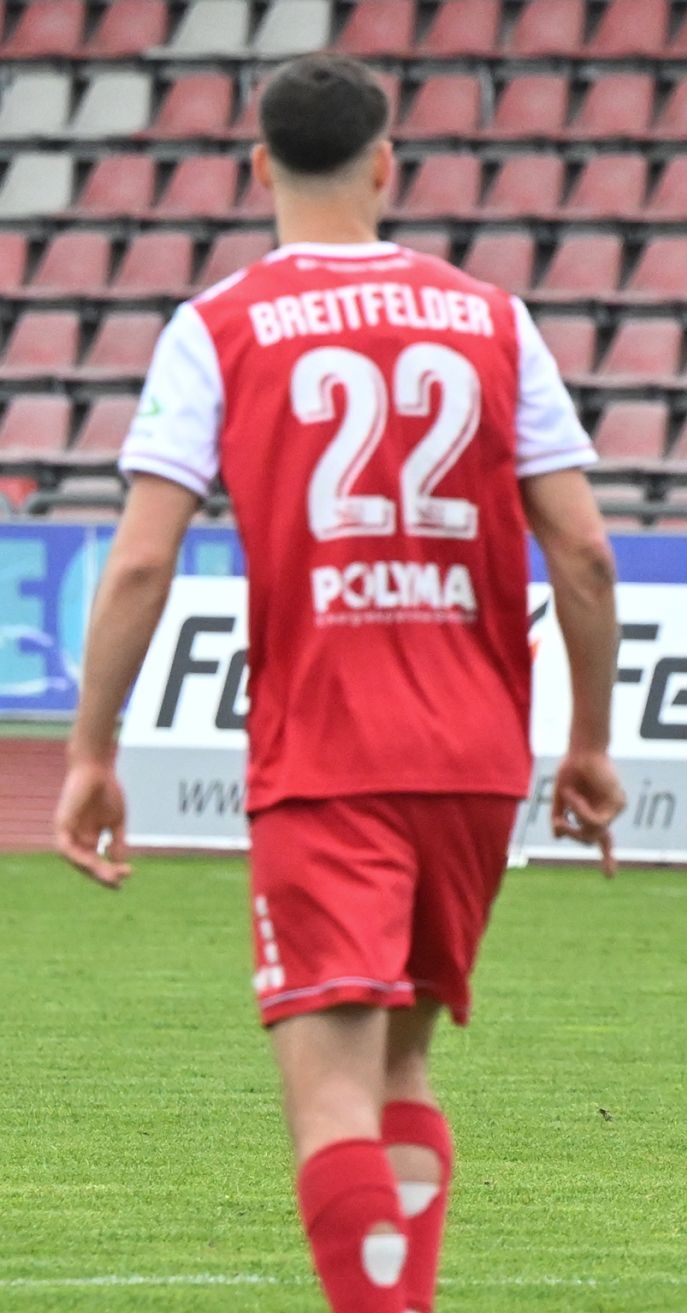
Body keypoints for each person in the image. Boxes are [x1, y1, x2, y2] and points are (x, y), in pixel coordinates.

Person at [50, 54, 625, 1313]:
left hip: (327, 755)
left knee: (329, 1094)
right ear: (384, 164)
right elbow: (582, 549)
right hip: (477, 756)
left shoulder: (217, 326)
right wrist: (588, 741)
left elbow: (143, 557)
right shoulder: (493, 317)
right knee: (402, 1071)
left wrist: (92, 751)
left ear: (258, 166)